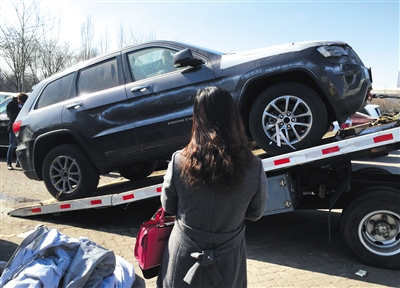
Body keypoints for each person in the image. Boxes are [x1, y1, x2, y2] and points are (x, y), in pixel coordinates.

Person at [156, 86, 268, 287]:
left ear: (198, 118)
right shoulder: (254, 166)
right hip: (229, 261)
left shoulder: (178, 161)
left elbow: (168, 207)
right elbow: (256, 213)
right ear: (233, 117)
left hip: (183, 257)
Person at [6, 92, 28, 170]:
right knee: (12, 145)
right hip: (13, 126)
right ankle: (9, 163)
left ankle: (18, 162)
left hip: (22, 127)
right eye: (21, 102)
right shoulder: (11, 104)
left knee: (21, 145)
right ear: (18, 99)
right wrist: (19, 114)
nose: (22, 104)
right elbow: (9, 115)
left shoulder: (25, 104)